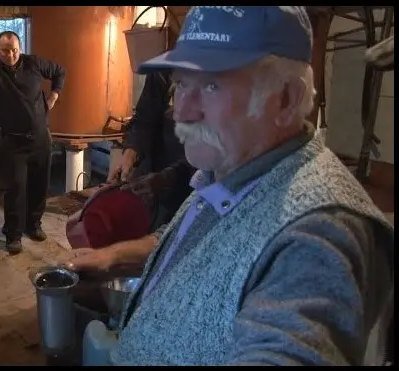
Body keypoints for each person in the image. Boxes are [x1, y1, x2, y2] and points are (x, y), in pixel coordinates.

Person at [64, 6, 394, 366]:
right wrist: (114, 258)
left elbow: (289, 347)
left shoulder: (320, 232)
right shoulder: (229, 169)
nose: (181, 111)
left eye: (211, 85)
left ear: (286, 100)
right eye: (182, 84)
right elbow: (196, 242)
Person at [0, 31, 66, 254]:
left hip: (40, 138)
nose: (11, 55)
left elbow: (59, 71)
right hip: (13, 142)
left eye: (15, 50)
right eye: (5, 50)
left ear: (20, 48)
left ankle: (33, 225)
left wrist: (55, 95)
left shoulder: (34, 63)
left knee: (39, 187)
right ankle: (13, 235)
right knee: (15, 190)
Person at [109, 69, 196, 230]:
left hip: (184, 188)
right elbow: (144, 118)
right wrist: (130, 154)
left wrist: (167, 178)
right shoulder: (163, 69)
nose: (176, 116)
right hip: (150, 178)